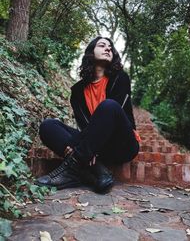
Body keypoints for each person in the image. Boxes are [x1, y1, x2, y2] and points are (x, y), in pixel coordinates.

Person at [35, 36, 141, 194]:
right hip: (93, 144)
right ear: (91, 52)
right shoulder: (77, 92)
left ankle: (71, 169)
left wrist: (84, 147)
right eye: (102, 45)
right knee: (48, 126)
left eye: (110, 47)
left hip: (122, 144)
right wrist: (88, 147)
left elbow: (116, 113)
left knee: (109, 106)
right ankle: (99, 172)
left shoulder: (120, 78)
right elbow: (84, 126)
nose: (108, 48)